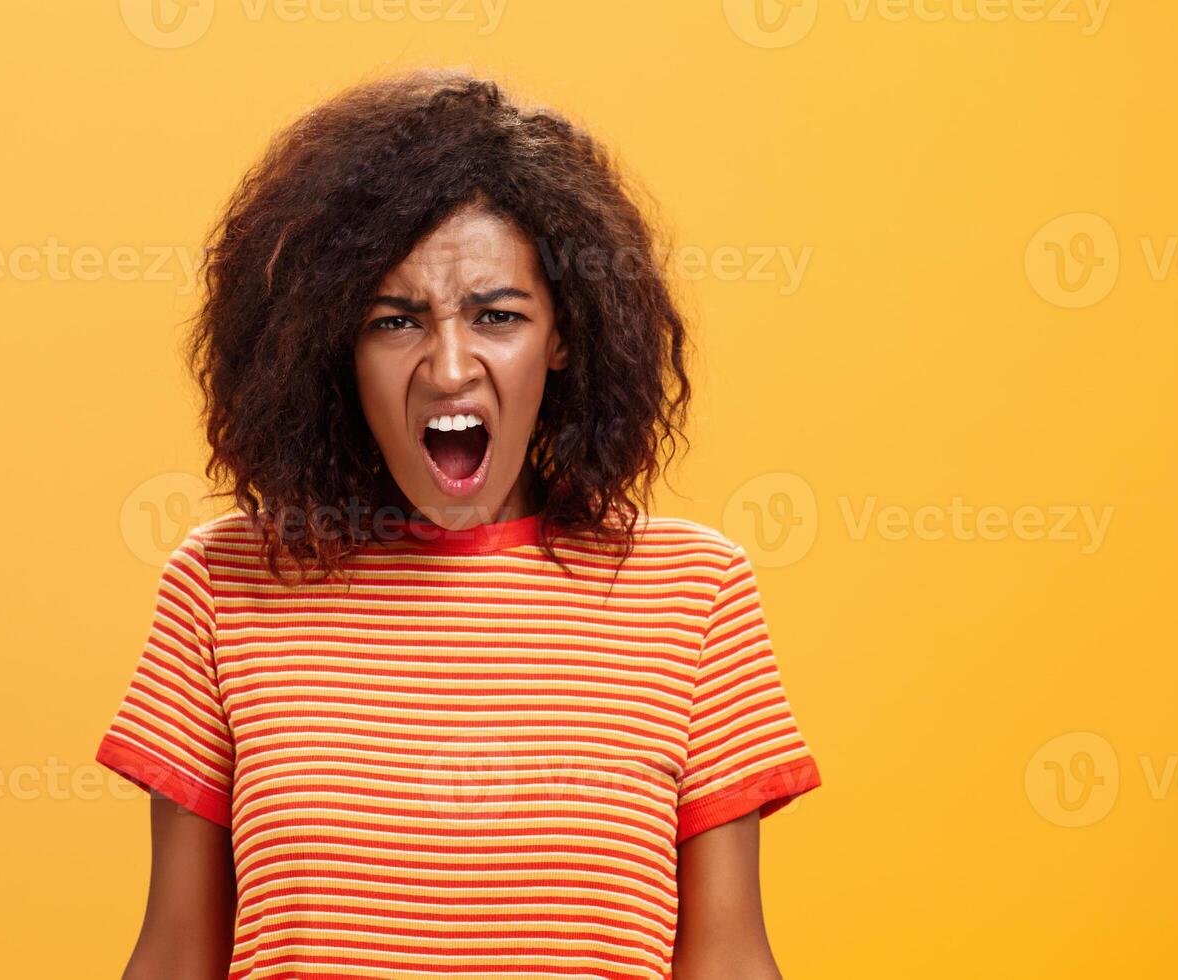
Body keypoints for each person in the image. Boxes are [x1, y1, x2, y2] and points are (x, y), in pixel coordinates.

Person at [99, 69, 821, 979]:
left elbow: (729, 962)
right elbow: (174, 956)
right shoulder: (226, 582)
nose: (449, 368)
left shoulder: (693, 593)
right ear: (334, 344)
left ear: (564, 335)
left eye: (497, 315)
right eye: (396, 319)